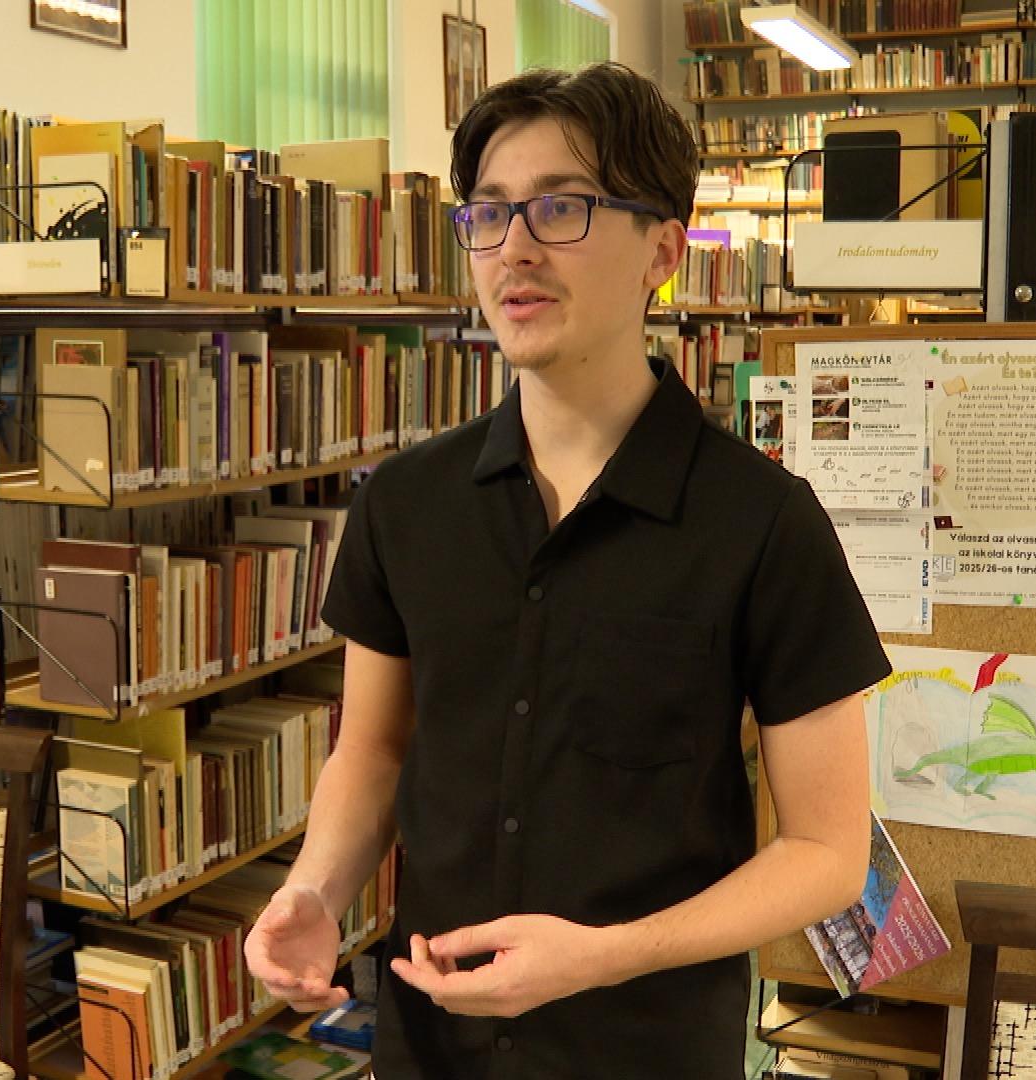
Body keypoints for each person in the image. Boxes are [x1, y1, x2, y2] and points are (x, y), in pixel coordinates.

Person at [243, 63, 890, 1076]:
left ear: (662, 252)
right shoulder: (405, 504)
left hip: (645, 1049)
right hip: (434, 1046)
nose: (515, 248)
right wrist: (317, 891)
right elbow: (373, 748)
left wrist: (604, 957)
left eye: (562, 207)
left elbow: (827, 854)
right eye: (489, 214)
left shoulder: (763, 523)